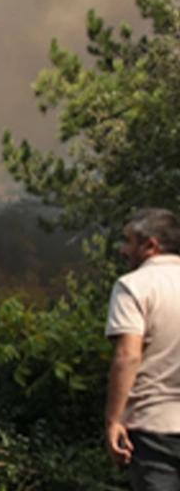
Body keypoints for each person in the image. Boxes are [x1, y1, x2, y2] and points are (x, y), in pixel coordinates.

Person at [106, 208, 180, 489]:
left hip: (154, 428)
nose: (124, 250)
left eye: (129, 241)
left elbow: (128, 355)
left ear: (151, 245)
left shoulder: (133, 286)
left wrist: (113, 421)